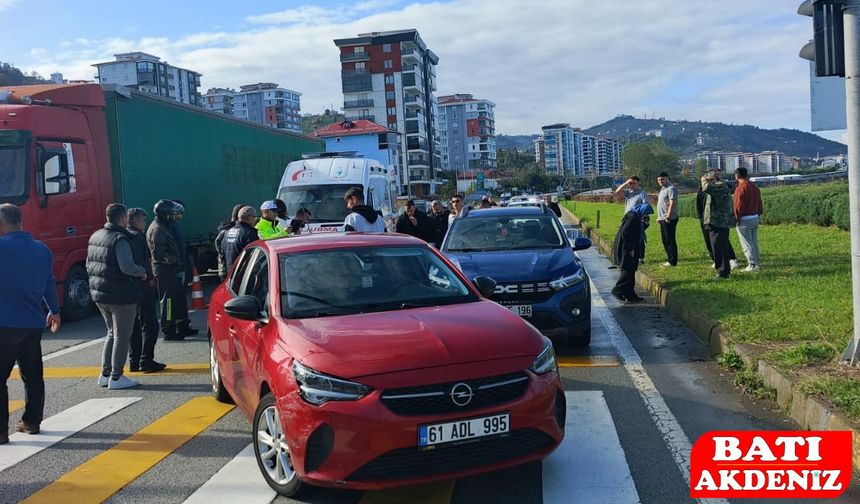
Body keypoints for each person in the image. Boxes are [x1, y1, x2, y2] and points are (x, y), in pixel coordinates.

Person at [0, 204, 61, 444]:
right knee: (33, 374)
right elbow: (49, 282)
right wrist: (54, 311)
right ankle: (31, 421)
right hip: (33, 323)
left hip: (4, 324)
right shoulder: (41, 249)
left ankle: (1, 432)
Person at [87, 204, 148, 390]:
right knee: (123, 335)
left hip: (100, 292)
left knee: (111, 333)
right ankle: (117, 376)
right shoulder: (120, 238)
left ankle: (105, 374)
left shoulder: (95, 235)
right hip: (120, 294)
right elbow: (126, 266)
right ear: (123, 219)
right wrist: (142, 272)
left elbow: (89, 264)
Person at [148, 199, 196, 341]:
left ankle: (183, 326)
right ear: (166, 214)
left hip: (175, 270)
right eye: (173, 214)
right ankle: (168, 330)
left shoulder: (168, 225)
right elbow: (159, 254)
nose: (176, 217)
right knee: (168, 302)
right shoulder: (157, 229)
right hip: (166, 271)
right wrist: (174, 261)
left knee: (180, 300)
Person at [126, 208, 166, 373]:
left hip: (128, 288)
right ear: (136, 221)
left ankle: (134, 360)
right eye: (142, 220)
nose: (144, 224)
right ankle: (146, 360)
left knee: (133, 325)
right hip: (141, 286)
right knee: (149, 325)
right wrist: (150, 277)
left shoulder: (123, 236)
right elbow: (144, 260)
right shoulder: (137, 237)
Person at [696, 173, 739, 270]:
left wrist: (703, 179)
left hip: (719, 221)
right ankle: (721, 268)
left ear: (713, 179)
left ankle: (724, 270)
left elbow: (706, 188)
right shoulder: (715, 187)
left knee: (720, 245)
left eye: (708, 180)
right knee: (716, 245)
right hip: (713, 221)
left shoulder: (720, 186)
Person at [612, 203, 653, 303]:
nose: (645, 215)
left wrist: (645, 225)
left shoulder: (634, 215)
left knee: (631, 270)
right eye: (645, 213)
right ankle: (617, 290)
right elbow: (627, 232)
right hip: (627, 249)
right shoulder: (633, 217)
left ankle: (629, 295)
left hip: (627, 247)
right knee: (628, 270)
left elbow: (634, 230)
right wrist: (631, 249)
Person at [734, 167, 763, 272]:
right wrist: (759, 212)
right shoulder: (754, 187)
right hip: (755, 216)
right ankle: (757, 262)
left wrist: (736, 218)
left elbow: (738, 205)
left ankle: (752, 264)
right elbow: (759, 202)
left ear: (737, 176)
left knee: (746, 243)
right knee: (754, 242)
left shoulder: (740, 188)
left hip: (744, 219)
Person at [215, 204, 244, 281]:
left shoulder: (224, 230)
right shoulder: (237, 230)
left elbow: (218, 246)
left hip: (223, 268)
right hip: (233, 269)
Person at [656, 172, 679, 267]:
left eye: (662, 179)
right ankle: (669, 258)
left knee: (670, 239)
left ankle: (672, 261)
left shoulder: (671, 189)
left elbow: (672, 203)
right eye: (658, 180)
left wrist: (668, 217)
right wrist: (659, 217)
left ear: (667, 179)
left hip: (669, 218)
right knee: (665, 240)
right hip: (663, 218)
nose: (660, 181)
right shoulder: (663, 189)